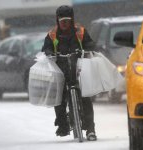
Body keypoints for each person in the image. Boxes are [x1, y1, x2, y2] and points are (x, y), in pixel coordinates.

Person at [41, 5, 97, 141]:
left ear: (72, 20)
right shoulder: (52, 34)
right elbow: (46, 47)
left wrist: (87, 49)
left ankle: (90, 129)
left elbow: (90, 44)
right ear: (57, 21)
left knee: (85, 97)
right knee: (58, 97)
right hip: (61, 71)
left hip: (79, 70)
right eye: (62, 21)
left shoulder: (81, 32)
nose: (65, 24)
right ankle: (62, 125)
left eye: (67, 20)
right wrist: (49, 53)